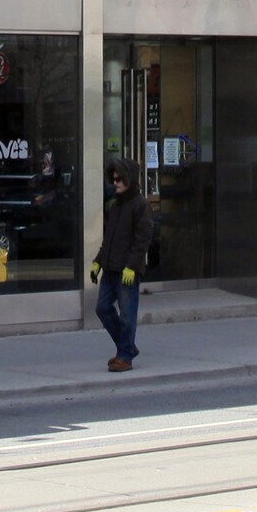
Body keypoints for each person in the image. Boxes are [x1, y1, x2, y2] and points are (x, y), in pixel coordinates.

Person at [90, 156, 152, 371]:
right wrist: (98, 262)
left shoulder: (140, 205)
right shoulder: (116, 206)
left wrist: (132, 266)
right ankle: (127, 347)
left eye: (118, 179)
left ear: (129, 179)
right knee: (102, 308)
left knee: (127, 315)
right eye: (113, 178)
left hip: (127, 270)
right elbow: (109, 239)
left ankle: (124, 356)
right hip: (110, 268)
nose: (114, 182)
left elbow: (142, 240)